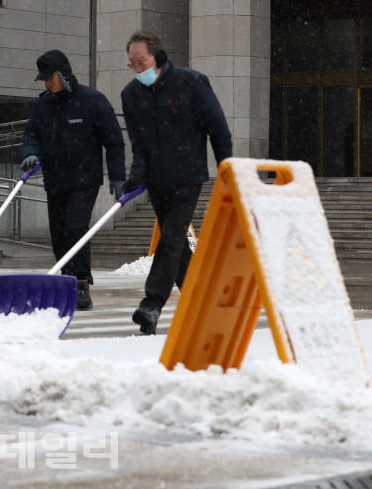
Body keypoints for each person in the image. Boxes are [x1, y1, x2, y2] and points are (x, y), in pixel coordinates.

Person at [121, 31, 232, 334]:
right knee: (178, 246)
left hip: (187, 175)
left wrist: (227, 170)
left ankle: (152, 304)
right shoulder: (131, 95)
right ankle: (202, 300)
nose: (137, 69)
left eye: (141, 62)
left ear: (157, 56)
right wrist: (136, 175)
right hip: (157, 180)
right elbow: (139, 144)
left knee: (170, 238)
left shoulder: (191, 83)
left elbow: (218, 129)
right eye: (132, 64)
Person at [22, 49, 126, 309]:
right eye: (44, 78)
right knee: (58, 234)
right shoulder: (43, 104)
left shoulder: (93, 101)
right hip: (55, 180)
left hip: (84, 180)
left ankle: (80, 282)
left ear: (63, 74)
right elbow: (31, 133)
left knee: (75, 228)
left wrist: (117, 176)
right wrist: (31, 153)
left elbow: (113, 140)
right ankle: (66, 279)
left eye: (50, 77)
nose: (47, 82)